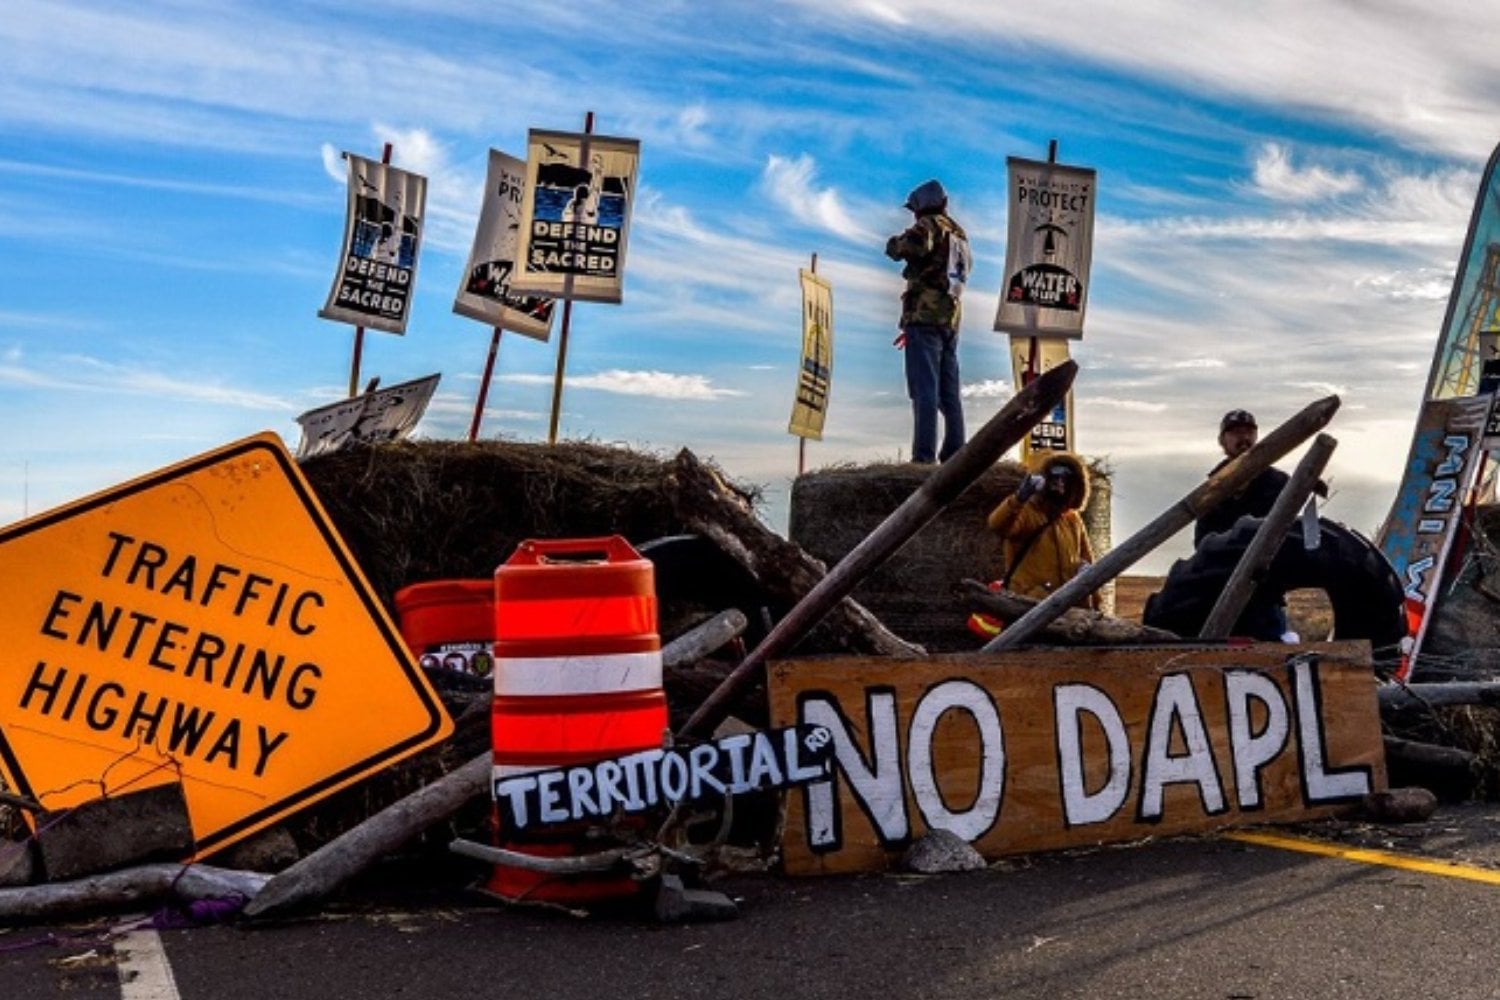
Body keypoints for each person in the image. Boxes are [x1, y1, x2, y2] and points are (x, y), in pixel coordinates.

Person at [885, 179, 973, 464]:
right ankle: (955, 454)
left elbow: (912, 247)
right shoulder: (959, 233)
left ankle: (923, 458)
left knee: (924, 390)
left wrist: (894, 245)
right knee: (949, 393)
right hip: (950, 316)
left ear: (920, 207)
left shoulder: (930, 225)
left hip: (924, 315)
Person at [981, 451, 1099, 613]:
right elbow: (998, 525)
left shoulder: (1072, 519)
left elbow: (1087, 561)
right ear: (1044, 480)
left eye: (1066, 478)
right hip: (1030, 606)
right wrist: (1018, 499)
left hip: (1069, 608)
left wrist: (1095, 605)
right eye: (1055, 477)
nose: (1060, 483)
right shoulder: (1029, 512)